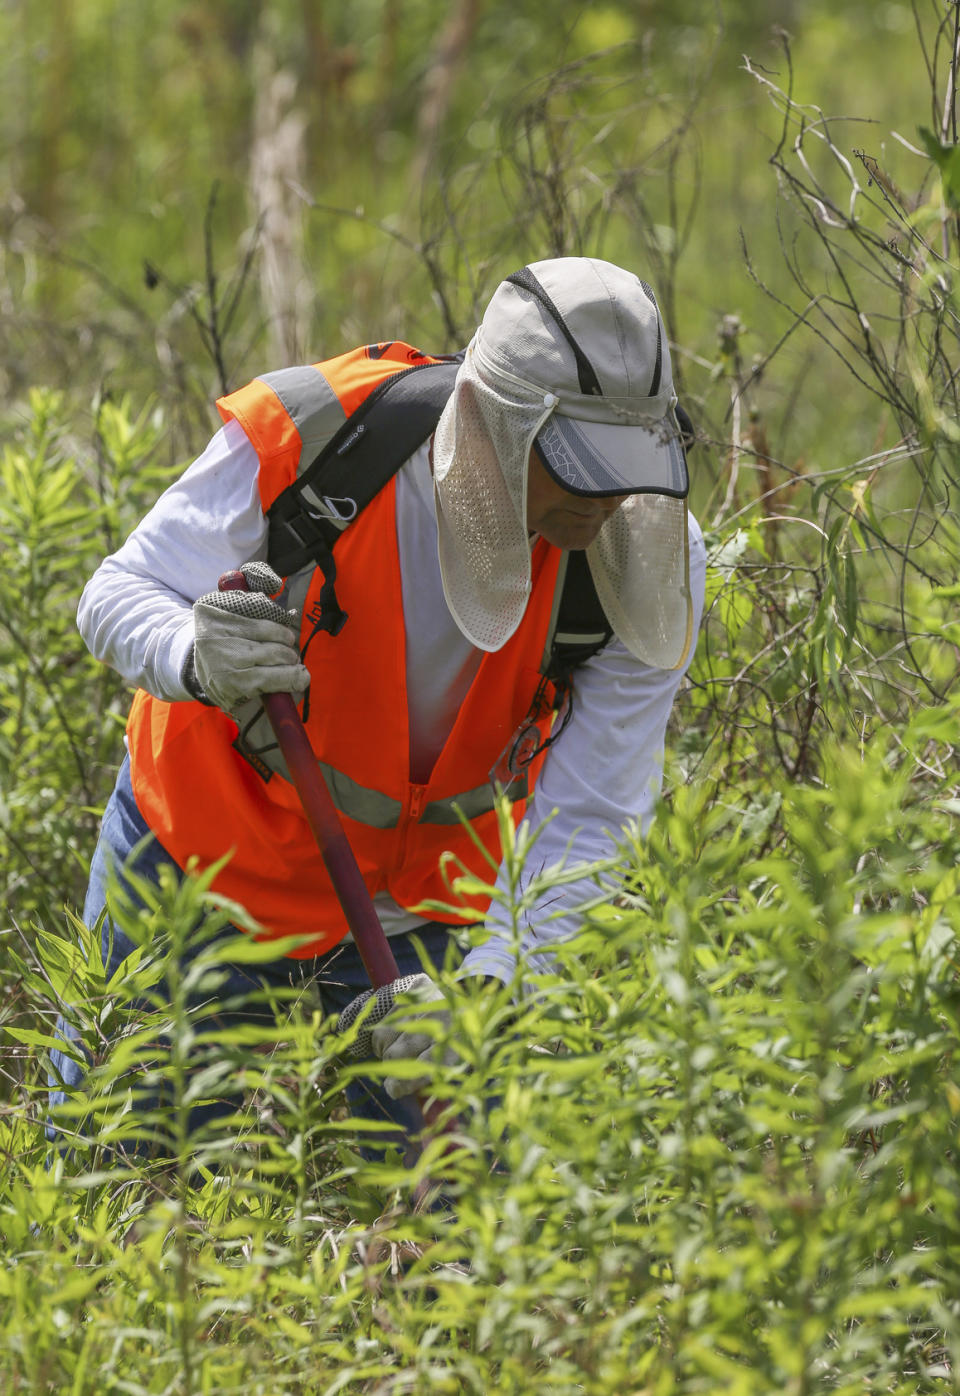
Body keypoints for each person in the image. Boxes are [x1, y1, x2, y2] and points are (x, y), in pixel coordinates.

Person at [51, 256, 706, 1159]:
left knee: (415, 1253)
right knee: (123, 1179)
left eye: (627, 465)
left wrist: (492, 990)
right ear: (495, 423)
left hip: (424, 920)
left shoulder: (646, 564)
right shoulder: (320, 441)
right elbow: (118, 590)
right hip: (197, 873)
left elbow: (594, 812)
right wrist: (193, 655)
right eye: (575, 464)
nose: (603, 500)